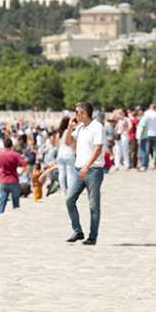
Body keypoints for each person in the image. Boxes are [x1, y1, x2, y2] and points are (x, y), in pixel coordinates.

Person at [65, 102, 104, 246]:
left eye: (77, 112)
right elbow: (68, 142)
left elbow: (98, 149)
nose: (75, 115)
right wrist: (69, 129)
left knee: (93, 205)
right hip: (78, 169)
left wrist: (87, 166)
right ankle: (77, 230)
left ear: (84, 113)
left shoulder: (97, 127)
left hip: (93, 170)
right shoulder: (80, 128)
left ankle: (93, 236)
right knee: (69, 199)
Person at [0, 137, 27, 213]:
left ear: (4, 145)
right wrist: (21, 173)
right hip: (14, 179)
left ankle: (0, 216)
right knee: (16, 204)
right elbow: (25, 164)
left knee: (2, 203)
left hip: (4, 179)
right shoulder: (16, 155)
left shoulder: (0, 154)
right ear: (11, 145)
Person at [56, 116, 76, 194]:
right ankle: (70, 190)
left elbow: (57, 145)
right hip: (69, 153)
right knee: (70, 173)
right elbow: (72, 143)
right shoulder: (71, 131)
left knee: (61, 173)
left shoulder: (59, 133)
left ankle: (63, 190)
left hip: (60, 153)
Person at [143, 104, 156, 170]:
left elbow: (143, 123)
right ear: (155, 108)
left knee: (147, 150)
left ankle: (145, 164)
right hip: (155, 133)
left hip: (148, 134)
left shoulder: (145, 113)